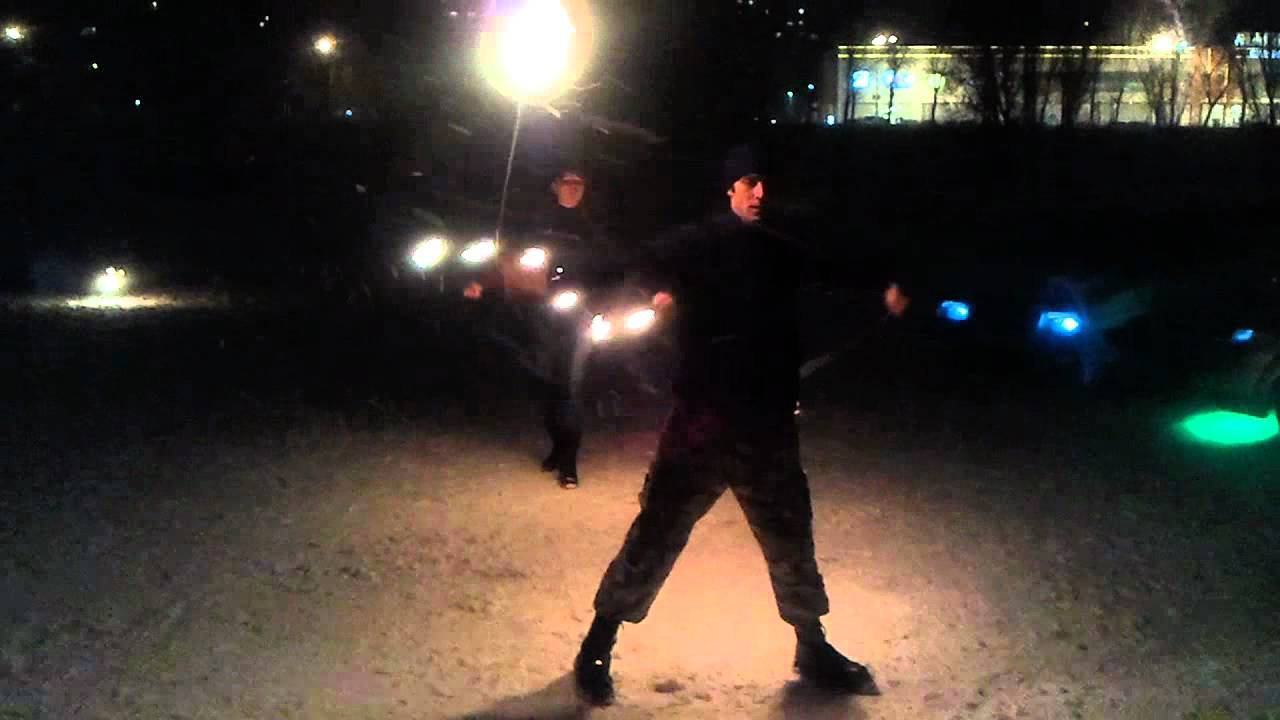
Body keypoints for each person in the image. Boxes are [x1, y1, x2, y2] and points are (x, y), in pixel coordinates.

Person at [572, 145, 909, 706]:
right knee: (657, 532)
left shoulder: (784, 249)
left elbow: (840, 273)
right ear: (729, 187)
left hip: (767, 421)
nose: (760, 193)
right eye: (750, 182)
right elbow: (636, 262)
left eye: (766, 183)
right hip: (702, 420)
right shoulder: (696, 244)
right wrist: (650, 291)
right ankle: (597, 644)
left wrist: (886, 289)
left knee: (790, 537)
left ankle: (811, 645)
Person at [464, 167, 603, 489]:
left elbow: (607, 265)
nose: (574, 188)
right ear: (555, 186)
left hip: (578, 315)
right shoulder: (538, 223)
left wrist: (603, 300)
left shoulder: (590, 226)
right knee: (546, 384)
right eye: (567, 182)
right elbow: (513, 259)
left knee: (570, 386)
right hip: (541, 312)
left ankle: (569, 463)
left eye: (579, 183)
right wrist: (483, 282)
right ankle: (557, 446)